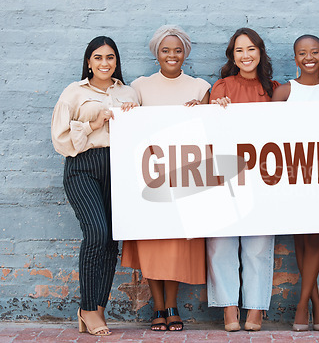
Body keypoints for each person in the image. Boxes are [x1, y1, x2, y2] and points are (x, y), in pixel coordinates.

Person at [120, 25, 210, 331]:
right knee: (153, 241)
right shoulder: (140, 87)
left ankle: (171, 305)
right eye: (165, 50)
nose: (172, 55)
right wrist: (129, 111)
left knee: (176, 243)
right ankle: (158, 307)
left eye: (178, 50)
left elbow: (210, 131)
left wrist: (206, 110)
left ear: (185, 53)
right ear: (156, 53)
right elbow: (131, 129)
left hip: (185, 180)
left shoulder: (200, 88)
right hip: (150, 179)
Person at [51, 36, 138, 336]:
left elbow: (147, 131)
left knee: (112, 239)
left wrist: (134, 114)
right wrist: (92, 124)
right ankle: (87, 308)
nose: (104, 63)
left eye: (110, 57)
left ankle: (98, 307)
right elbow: (60, 139)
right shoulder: (73, 93)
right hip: (83, 167)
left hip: (119, 167)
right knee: (96, 232)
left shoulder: (129, 92)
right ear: (88, 61)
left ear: (117, 61)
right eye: (98, 57)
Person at [207, 27, 280, 332]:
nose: (245, 55)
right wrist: (215, 110)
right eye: (239, 50)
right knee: (221, 243)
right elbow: (208, 131)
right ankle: (228, 307)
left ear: (260, 52)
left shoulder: (275, 89)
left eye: (251, 49)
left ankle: (255, 308)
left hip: (262, 177)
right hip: (226, 176)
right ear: (232, 56)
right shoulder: (221, 87)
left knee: (258, 246)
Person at [272, 34, 319, 332]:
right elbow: (271, 135)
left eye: (314, 52)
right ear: (295, 58)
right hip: (292, 173)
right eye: (302, 53)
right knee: (301, 239)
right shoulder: (285, 92)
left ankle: (302, 307)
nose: (309, 57)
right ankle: (315, 304)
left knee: (315, 238)